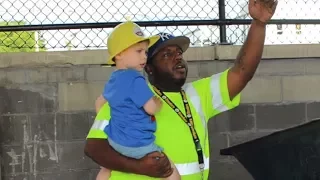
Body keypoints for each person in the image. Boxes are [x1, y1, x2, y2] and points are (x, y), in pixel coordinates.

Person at [85, 0, 278, 179]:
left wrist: (259, 24)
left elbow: (242, 72)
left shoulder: (199, 94)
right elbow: (94, 147)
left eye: (179, 53)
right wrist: (140, 167)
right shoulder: (127, 93)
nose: (177, 58)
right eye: (167, 54)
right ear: (148, 67)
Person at [94, 21, 181, 180]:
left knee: (106, 168)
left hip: (114, 141)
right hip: (139, 144)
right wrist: (157, 103)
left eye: (146, 52)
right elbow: (150, 109)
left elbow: (99, 103)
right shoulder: (136, 80)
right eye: (139, 51)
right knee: (171, 172)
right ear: (119, 54)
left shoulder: (113, 79)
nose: (144, 57)